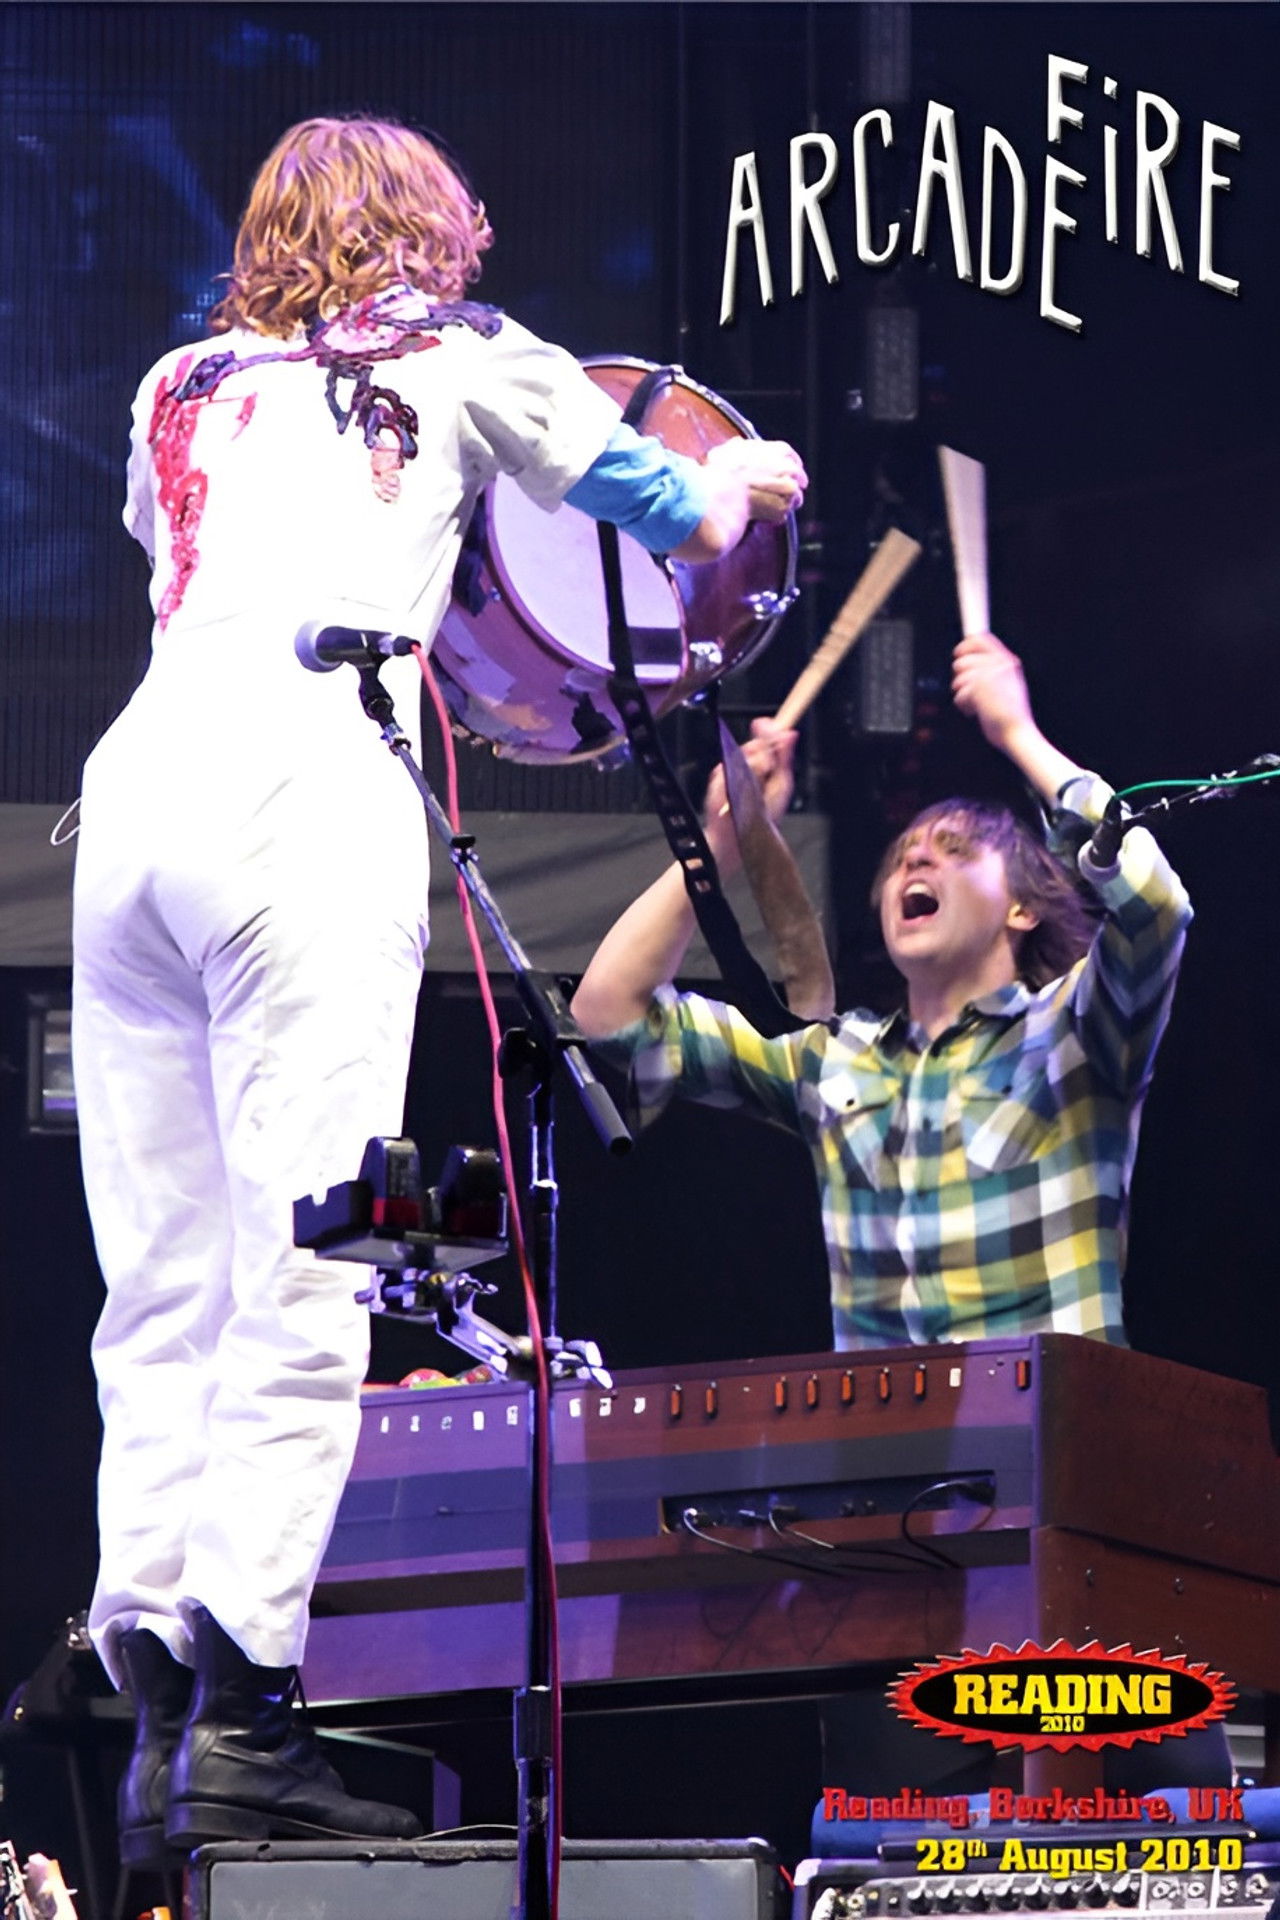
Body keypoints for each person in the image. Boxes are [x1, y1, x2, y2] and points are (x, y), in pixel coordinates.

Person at [71, 114, 806, 1868]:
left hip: (131, 800)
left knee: (160, 1272)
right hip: (300, 790)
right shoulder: (464, 352)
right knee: (312, 1256)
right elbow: (664, 497)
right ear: (429, 235)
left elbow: (175, 553)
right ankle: (246, 1716)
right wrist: (758, 477)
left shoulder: (178, 378)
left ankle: (157, 1710)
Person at [571, 630, 1192, 1351]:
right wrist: (722, 840)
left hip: (1054, 1435)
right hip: (887, 1443)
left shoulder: (1075, 1033)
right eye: (902, 857)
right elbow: (607, 1013)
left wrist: (1017, 732)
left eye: (955, 850)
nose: (916, 856)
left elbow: (1157, 904)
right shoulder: (834, 1061)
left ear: (1023, 910)